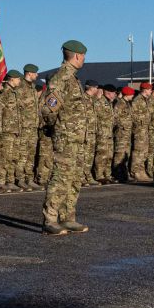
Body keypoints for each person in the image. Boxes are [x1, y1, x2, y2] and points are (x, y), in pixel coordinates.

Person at [40, 40, 90, 235]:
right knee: (61, 178)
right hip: (66, 138)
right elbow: (47, 109)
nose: (84, 59)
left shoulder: (73, 79)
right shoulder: (61, 78)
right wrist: (57, 127)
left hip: (77, 138)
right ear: (77, 56)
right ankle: (50, 219)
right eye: (83, 56)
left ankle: (68, 218)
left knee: (74, 179)